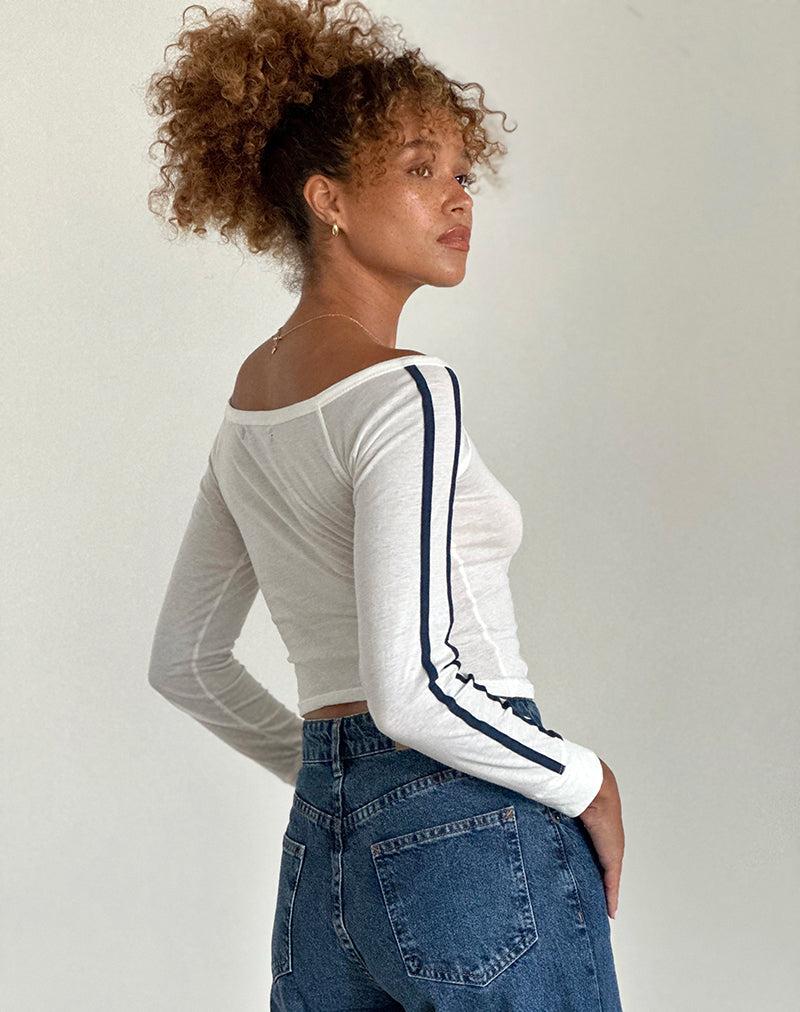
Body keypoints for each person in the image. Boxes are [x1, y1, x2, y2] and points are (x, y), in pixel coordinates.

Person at [145, 1, 625, 1008]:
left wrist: (345, 786)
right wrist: (586, 781)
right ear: (327, 198)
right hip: (476, 819)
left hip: (323, 855)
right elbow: (411, 690)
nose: (457, 198)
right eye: (419, 169)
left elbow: (186, 663)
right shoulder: (407, 389)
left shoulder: (250, 410)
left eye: (462, 173)